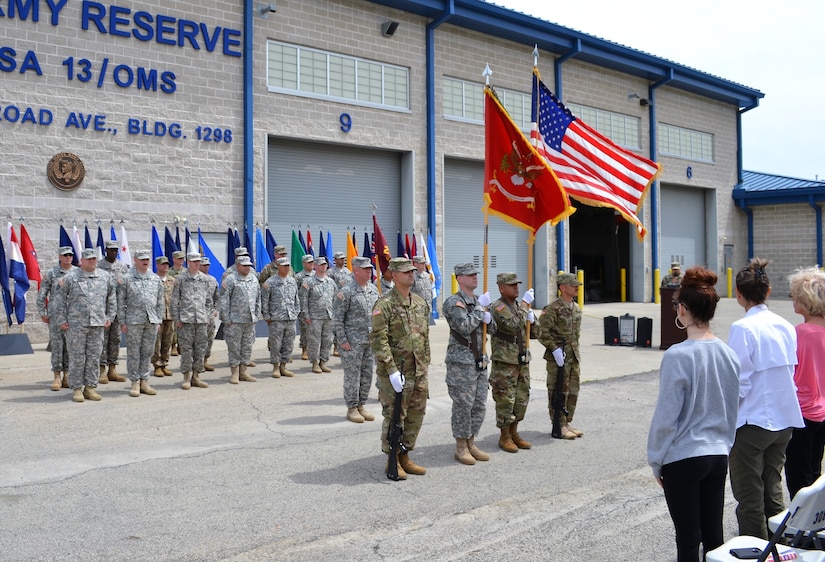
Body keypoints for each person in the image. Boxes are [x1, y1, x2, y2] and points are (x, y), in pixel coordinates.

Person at [647, 266, 740, 562]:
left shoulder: (678, 354)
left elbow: (667, 415)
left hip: (684, 456)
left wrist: (656, 459)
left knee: (688, 539)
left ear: (683, 309)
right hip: (717, 453)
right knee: (714, 536)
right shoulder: (728, 353)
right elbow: (731, 406)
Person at [727, 257, 804, 539]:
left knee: (749, 496)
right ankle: (778, 545)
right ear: (768, 291)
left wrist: (726, 420)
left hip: (753, 421)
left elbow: (739, 382)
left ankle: (755, 549)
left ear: (738, 295)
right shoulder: (785, 324)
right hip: (784, 419)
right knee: (773, 488)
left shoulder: (742, 328)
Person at [371, 257, 430, 479]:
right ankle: (392, 459)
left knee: (416, 415)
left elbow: (424, 338)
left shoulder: (420, 303)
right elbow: (378, 340)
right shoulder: (384, 305)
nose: (411, 275)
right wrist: (391, 370)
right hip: (397, 372)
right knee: (395, 417)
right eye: (405, 272)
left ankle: (405, 455)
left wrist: (425, 365)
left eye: (412, 271)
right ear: (393, 275)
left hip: (418, 371)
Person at [442, 262, 494, 465]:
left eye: (475, 274)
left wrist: (490, 318)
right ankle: (461, 446)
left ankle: (471, 441)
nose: (475, 277)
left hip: (480, 361)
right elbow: (464, 327)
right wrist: (481, 310)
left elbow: (491, 330)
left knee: (479, 405)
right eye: (469, 274)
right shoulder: (454, 302)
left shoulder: (479, 302)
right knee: (464, 405)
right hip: (461, 363)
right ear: (459, 279)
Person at [52, 248, 117, 403]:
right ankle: (76, 388)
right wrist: (61, 320)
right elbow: (58, 300)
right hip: (76, 325)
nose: (92, 261)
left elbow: (111, 298)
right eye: (88, 259)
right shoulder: (70, 277)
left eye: (94, 258)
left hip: (97, 324)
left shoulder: (105, 277)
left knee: (94, 357)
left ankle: (90, 387)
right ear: (81, 261)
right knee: (76, 357)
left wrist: (110, 317)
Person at [784, 268, 825, 498]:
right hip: (822, 410)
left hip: (801, 412)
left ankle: (800, 526)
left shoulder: (799, 333)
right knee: (815, 470)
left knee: (797, 475)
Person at [489, 272, 539, 453]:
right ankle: (505, 436)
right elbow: (512, 325)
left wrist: (533, 322)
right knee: (505, 400)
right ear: (501, 288)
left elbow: (535, 334)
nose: (516, 287)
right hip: (505, 360)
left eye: (517, 284)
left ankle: (514, 432)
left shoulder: (520, 306)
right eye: (511, 285)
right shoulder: (497, 307)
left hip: (522, 358)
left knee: (521, 399)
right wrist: (525, 306)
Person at [333, 256, 379, 423]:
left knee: (367, 374)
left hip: (369, 341)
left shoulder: (373, 290)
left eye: (370, 268)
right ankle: (352, 408)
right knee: (353, 375)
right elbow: (337, 318)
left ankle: (361, 405)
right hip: (351, 342)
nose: (369, 271)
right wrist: (342, 340)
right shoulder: (346, 292)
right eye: (365, 269)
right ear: (356, 270)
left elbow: (377, 315)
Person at [539, 272, 584, 440]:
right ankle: (558, 424)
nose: (576, 288)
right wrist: (554, 349)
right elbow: (542, 332)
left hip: (573, 357)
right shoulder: (553, 309)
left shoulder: (576, 307)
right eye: (573, 285)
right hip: (558, 358)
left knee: (573, 390)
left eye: (577, 285)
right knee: (558, 391)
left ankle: (567, 422)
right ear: (562, 287)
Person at [118, 249, 164, 398]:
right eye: (142, 259)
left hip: (151, 320)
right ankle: (135, 382)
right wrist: (122, 321)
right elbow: (121, 302)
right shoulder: (127, 278)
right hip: (133, 321)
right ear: (135, 260)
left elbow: (159, 301)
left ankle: (145, 380)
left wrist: (158, 319)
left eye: (147, 259)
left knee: (147, 352)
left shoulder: (155, 278)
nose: (145, 261)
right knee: (134, 352)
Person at [171, 252, 216, 390]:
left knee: (200, 349)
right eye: (194, 261)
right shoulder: (181, 279)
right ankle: (186, 377)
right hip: (186, 320)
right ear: (188, 262)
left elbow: (209, 301)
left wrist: (208, 317)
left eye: (199, 261)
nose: (197, 264)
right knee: (186, 350)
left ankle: (196, 376)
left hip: (202, 320)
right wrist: (177, 319)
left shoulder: (204, 279)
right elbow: (174, 301)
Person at [37, 246, 76, 391]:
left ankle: (67, 376)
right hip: (55, 316)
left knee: (70, 347)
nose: (68, 258)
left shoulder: (77, 273)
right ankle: (57, 377)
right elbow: (42, 294)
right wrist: (43, 312)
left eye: (70, 255)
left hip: (73, 316)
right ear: (60, 257)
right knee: (57, 346)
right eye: (65, 255)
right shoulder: (52, 273)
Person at [220, 255, 261, 384]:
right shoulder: (230, 280)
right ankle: (234, 373)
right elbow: (224, 300)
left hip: (249, 320)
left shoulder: (254, 279)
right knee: (234, 347)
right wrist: (226, 318)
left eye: (249, 265)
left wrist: (257, 314)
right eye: (244, 266)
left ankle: (243, 372)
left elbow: (258, 299)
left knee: (247, 347)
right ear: (237, 266)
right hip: (234, 321)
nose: (247, 268)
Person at [261, 257, 300, 378]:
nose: (287, 268)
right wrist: (267, 316)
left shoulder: (292, 281)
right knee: (275, 344)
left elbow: (296, 299)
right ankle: (276, 367)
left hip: (290, 318)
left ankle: (284, 366)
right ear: (278, 267)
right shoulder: (270, 282)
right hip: (276, 318)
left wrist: (296, 312)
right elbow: (265, 301)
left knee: (288, 343)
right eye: (284, 266)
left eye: (288, 265)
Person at [97, 240, 128, 384]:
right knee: (103, 340)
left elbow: (126, 286)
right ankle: (101, 370)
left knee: (115, 339)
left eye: (116, 250)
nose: (114, 252)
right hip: (103, 308)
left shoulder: (122, 267)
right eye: (111, 250)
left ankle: (112, 369)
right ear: (106, 250)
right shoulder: (98, 266)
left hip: (118, 307)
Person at [300, 256, 336, 373]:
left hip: (328, 316)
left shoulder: (330, 281)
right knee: (314, 341)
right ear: (315, 266)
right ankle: (314, 363)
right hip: (314, 317)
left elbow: (336, 298)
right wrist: (306, 315)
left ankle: (323, 362)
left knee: (327, 340)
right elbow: (303, 299)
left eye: (325, 264)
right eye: (320, 264)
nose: (323, 266)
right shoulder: (308, 282)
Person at [151, 256, 176, 378]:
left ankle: (164, 363)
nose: (165, 266)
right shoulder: (153, 279)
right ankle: (157, 365)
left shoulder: (172, 280)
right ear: (157, 265)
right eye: (162, 264)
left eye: (166, 264)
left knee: (168, 341)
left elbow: (176, 297)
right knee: (157, 342)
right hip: (157, 316)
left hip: (170, 315)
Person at [199, 256, 220, 372]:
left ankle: (205, 360)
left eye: (207, 265)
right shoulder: (195, 279)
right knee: (199, 340)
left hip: (210, 316)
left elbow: (217, 297)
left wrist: (216, 309)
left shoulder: (213, 280)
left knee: (209, 339)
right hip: (198, 315)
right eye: (204, 265)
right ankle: (198, 362)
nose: (206, 267)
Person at [295, 254, 315, 360]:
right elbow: (296, 292)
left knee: (315, 330)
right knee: (304, 330)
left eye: (312, 262)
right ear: (303, 263)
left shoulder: (317, 275)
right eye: (309, 262)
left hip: (316, 308)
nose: (311, 264)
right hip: (304, 307)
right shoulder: (299, 277)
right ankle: (304, 350)